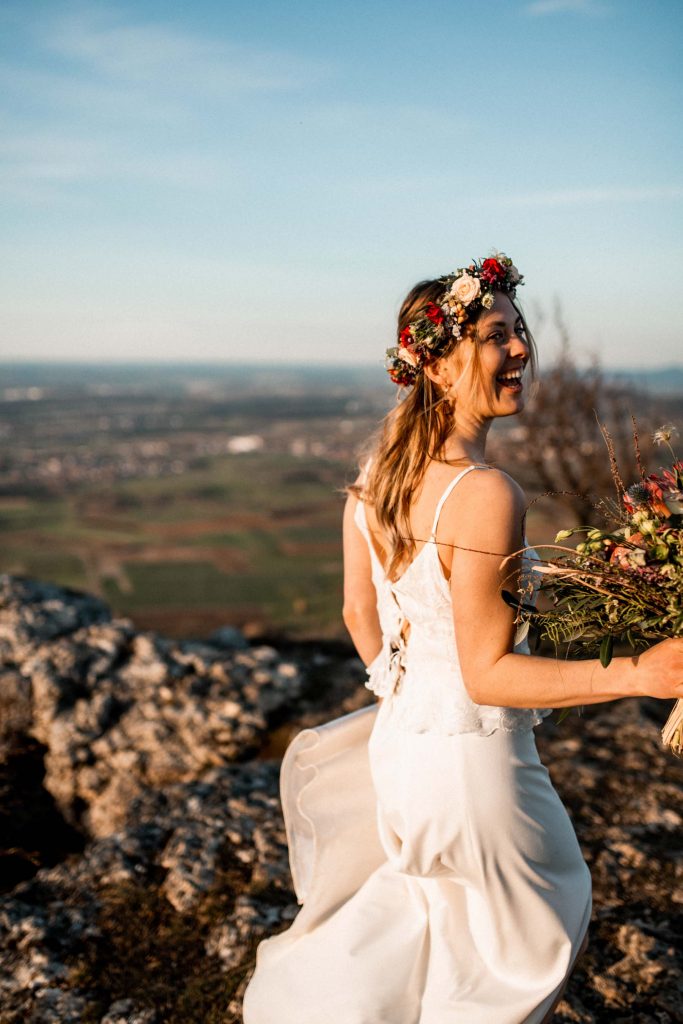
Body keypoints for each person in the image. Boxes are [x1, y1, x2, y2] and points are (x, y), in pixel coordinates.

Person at [242, 252, 683, 1024]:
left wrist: (411, 696)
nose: (518, 350)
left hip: (402, 754)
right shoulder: (482, 493)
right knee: (526, 950)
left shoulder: (378, 471)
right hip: (473, 768)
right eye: (492, 336)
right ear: (438, 367)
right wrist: (642, 672)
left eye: (518, 332)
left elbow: (358, 614)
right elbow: (486, 676)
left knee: (435, 939)